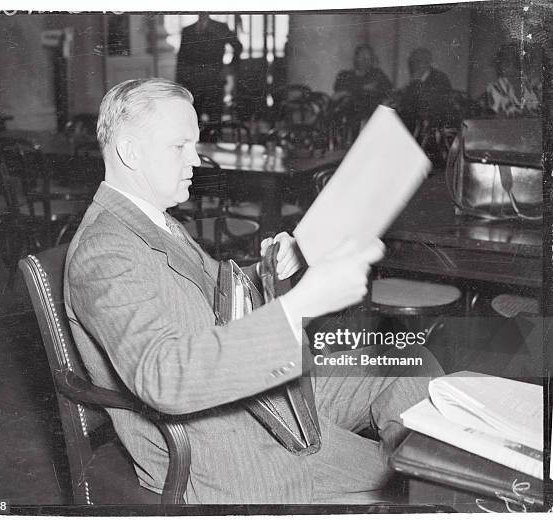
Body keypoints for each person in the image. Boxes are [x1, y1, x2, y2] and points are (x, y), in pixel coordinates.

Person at [64, 78, 444, 504]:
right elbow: (164, 378)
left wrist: (274, 267)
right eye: (180, 146)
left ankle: (413, 461)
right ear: (130, 152)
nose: (195, 159)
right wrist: (300, 304)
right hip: (224, 447)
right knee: (414, 480)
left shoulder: (153, 221)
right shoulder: (104, 250)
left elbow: (216, 297)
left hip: (254, 401)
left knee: (404, 360)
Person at [175, 14, 242, 124]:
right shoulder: (188, 30)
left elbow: (238, 47)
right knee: (195, 116)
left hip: (214, 78)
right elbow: (181, 57)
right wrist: (180, 82)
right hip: (194, 81)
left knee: (215, 115)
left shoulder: (220, 27)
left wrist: (228, 68)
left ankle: (215, 139)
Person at [332, 44, 393, 131]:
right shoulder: (345, 75)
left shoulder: (377, 74)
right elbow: (336, 96)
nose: (366, 60)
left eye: (369, 57)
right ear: (356, 58)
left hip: (373, 119)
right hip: (349, 118)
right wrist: (363, 88)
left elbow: (389, 92)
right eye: (363, 56)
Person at [396, 47, 453, 134]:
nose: (415, 65)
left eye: (418, 61)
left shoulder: (439, 78)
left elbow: (432, 103)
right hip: (417, 123)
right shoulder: (416, 79)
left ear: (428, 63)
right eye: (412, 62)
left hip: (433, 126)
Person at [483, 41, 541, 117]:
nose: (511, 66)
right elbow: (493, 118)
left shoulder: (536, 85)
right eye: (506, 61)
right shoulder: (495, 88)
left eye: (516, 60)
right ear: (500, 64)